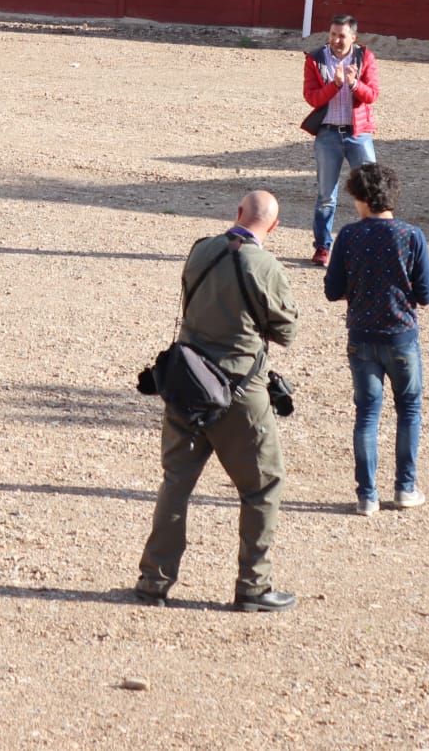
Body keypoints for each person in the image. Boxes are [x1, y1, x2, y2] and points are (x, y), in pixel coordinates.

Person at [136, 190, 300, 613]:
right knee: (262, 486)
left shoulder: (200, 251)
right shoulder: (266, 266)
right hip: (241, 392)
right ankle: (253, 586)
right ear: (275, 226)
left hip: (186, 383)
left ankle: (154, 580)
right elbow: (286, 332)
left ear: (238, 213)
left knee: (176, 483)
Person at [324, 163, 429, 516]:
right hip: (401, 335)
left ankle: (366, 495)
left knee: (367, 415)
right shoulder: (411, 235)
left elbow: (332, 290)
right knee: (409, 409)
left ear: (361, 198)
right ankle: (405, 487)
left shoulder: (348, 236)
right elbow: (426, 293)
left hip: (361, 336)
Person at [304, 14, 379, 266]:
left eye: (342, 35)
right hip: (328, 134)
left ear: (353, 38)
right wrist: (336, 85)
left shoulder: (365, 57)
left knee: (370, 191)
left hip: (358, 134)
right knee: (326, 195)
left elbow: (372, 95)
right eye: (333, 34)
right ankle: (322, 247)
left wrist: (354, 84)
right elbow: (312, 98)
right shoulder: (316, 59)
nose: (336, 40)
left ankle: (373, 245)